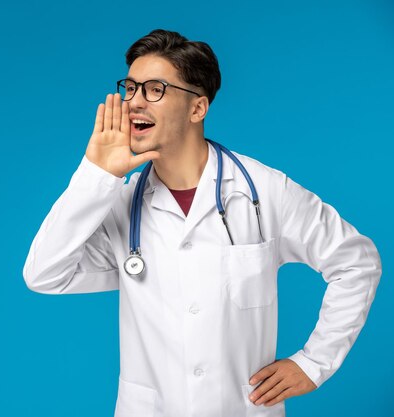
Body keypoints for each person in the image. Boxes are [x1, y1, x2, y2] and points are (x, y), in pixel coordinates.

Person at [22, 29, 381, 417]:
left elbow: (356, 262)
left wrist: (314, 363)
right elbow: (44, 274)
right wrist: (95, 175)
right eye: (131, 88)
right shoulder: (120, 204)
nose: (134, 103)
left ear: (198, 109)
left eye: (154, 89)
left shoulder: (263, 191)